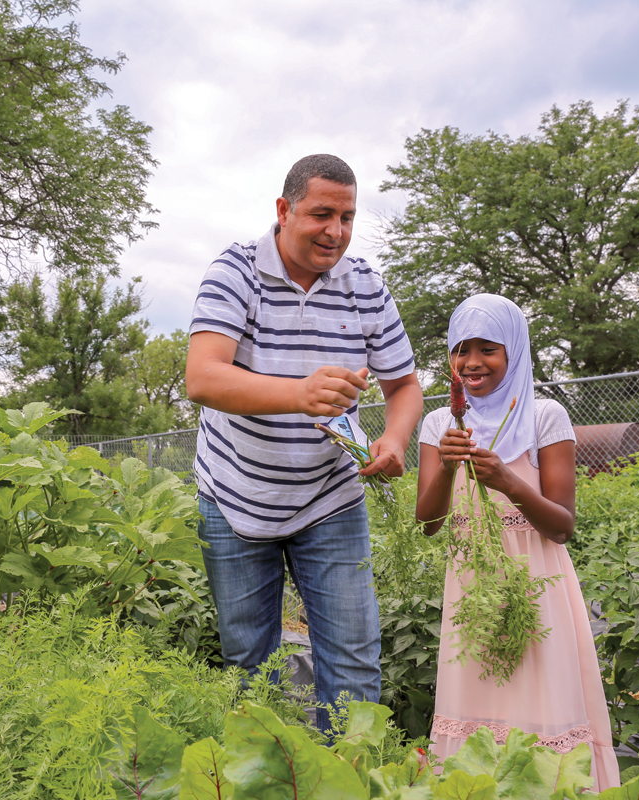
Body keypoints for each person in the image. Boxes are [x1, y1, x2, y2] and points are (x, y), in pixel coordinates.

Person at [185, 154, 424, 734]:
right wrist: (299, 393)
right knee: (251, 665)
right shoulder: (234, 271)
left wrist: (393, 441)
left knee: (354, 663)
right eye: (321, 214)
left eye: (346, 217)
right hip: (235, 496)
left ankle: (351, 775)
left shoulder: (364, 283)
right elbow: (203, 377)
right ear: (284, 209)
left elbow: (405, 385)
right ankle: (270, 777)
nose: (335, 231)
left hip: (330, 498)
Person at [415, 293, 619, 790]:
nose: (471, 362)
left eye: (488, 348)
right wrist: (445, 467)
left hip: (537, 590)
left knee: (543, 710)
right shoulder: (440, 423)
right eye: (460, 349)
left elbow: (562, 525)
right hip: (472, 592)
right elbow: (428, 523)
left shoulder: (544, 415)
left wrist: (508, 481)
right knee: (475, 715)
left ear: (514, 351)